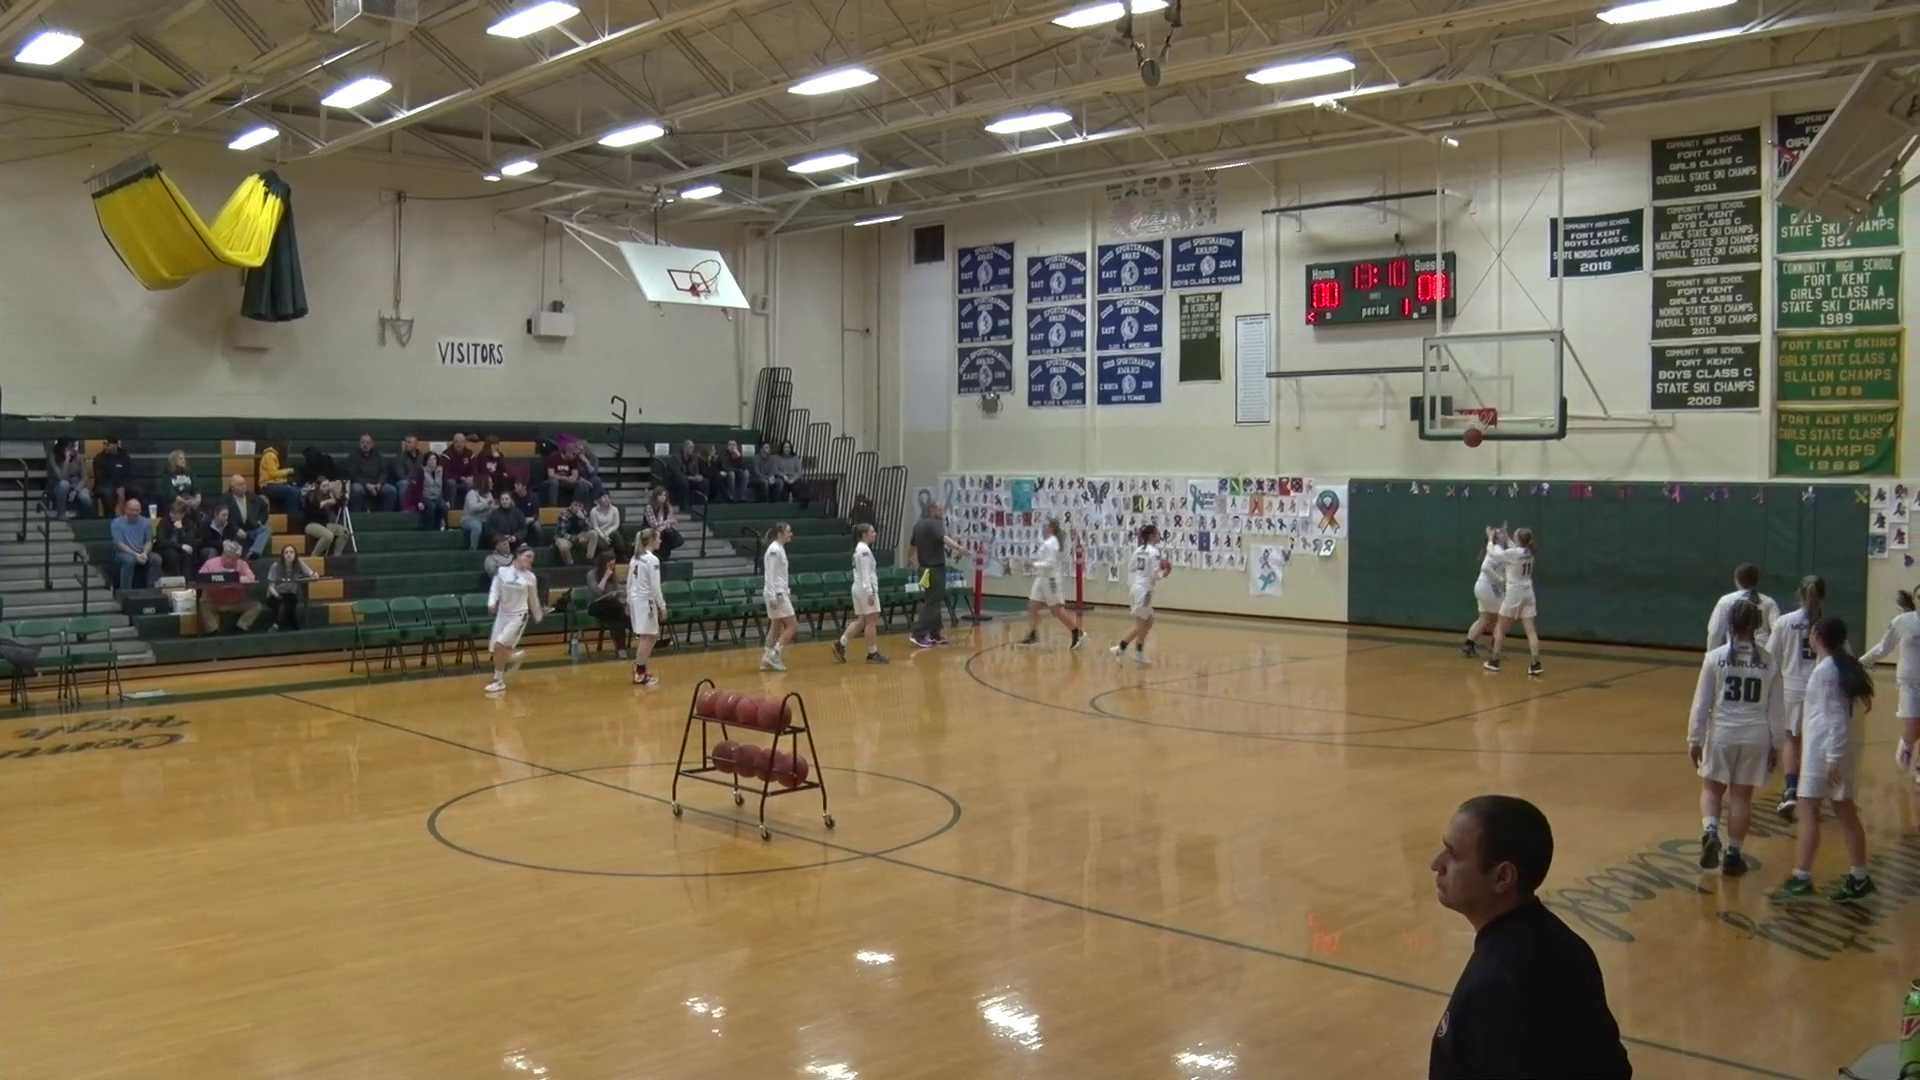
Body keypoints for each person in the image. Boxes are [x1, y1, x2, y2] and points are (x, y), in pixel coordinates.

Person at [1429, 794, 1632, 1079]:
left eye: (1454, 855)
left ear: (1503, 878)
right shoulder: (1567, 946)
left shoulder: (1497, 984)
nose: (1436, 864)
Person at [1777, 617, 1876, 901]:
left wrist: (1832, 758)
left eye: (1811, 632)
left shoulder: (1826, 671)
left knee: (1807, 809)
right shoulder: (1838, 666)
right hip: (1835, 752)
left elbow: (1834, 720)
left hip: (1825, 754)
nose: (1808, 635)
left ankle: (1802, 877)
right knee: (1845, 812)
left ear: (1818, 635)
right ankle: (1859, 877)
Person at [1687, 599, 1783, 876]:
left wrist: (1694, 738)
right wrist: (1777, 743)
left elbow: (1701, 703)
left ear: (1730, 623)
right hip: (1756, 736)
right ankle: (1733, 854)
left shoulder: (1714, 657)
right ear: (1757, 625)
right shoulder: (1769, 661)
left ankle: (1711, 831)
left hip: (1722, 734)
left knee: (1711, 790)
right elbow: (1777, 710)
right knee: (1741, 798)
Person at [1771, 576, 1825, 820]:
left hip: (1792, 688)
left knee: (1792, 740)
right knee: (1815, 742)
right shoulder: (1828, 625)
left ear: (1799, 594)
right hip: (1822, 689)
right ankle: (1812, 793)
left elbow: (1771, 657)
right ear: (1823, 596)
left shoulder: (1784, 622)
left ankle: (1792, 789)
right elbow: (1845, 657)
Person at [1863, 586, 1920, 783]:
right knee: (1913, 725)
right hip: (1908, 682)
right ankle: (1905, 747)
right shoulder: (1902, 622)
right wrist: (1859, 664)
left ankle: (1918, 767)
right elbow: (1882, 648)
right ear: (1914, 599)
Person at [484, 544, 543, 695]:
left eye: (532, 558)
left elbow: (533, 599)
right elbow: (495, 588)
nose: (531, 560)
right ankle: (515, 656)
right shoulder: (503, 571)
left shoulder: (530, 577)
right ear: (518, 555)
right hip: (502, 615)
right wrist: (491, 603)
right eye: (528, 556)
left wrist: (538, 615)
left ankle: (498, 681)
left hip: (519, 616)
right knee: (496, 649)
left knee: (499, 645)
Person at [1483, 527, 1541, 677]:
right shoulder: (1529, 552)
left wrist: (1490, 538)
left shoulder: (1513, 553)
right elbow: (1516, 550)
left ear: (1518, 539)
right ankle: (1535, 663)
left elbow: (1494, 554)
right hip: (1528, 592)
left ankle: (1494, 661)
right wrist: (1507, 538)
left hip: (1514, 593)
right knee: (1531, 630)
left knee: (1501, 627)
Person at [908, 501, 967, 649]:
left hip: (924, 569)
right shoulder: (935, 524)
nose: (942, 512)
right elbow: (944, 539)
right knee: (932, 601)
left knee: (933, 599)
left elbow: (912, 545)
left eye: (943, 510)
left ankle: (935, 633)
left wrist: (909, 559)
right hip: (935, 569)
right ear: (931, 509)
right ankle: (918, 633)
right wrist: (959, 548)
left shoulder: (918, 525)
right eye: (939, 510)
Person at [1021, 518, 1083, 650]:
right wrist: (1034, 564)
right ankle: (1033, 634)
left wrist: (1033, 564)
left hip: (1051, 580)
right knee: (1032, 606)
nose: (1043, 528)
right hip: (1041, 578)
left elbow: (1051, 564)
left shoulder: (1052, 543)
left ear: (1051, 528)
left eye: (1045, 526)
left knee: (1057, 610)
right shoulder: (1048, 542)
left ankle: (1077, 633)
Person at [1112, 523, 1167, 664]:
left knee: (1148, 621)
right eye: (1157, 533)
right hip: (1144, 590)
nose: (1159, 535)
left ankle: (1139, 651)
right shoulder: (1154, 552)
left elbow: (1131, 567)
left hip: (1136, 587)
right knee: (1141, 624)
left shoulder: (1139, 550)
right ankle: (1121, 647)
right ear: (1152, 536)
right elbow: (1155, 575)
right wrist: (1165, 573)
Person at [834, 523, 888, 664]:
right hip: (865, 589)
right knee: (871, 622)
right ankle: (872, 653)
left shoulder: (860, 549)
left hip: (859, 588)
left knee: (862, 620)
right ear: (864, 535)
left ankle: (841, 644)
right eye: (872, 532)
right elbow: (865, 574)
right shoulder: (864, 551)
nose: (875, 534)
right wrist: (870, 592)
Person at [1707, 562, 1781, 650]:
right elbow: (1778, 631)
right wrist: (1769, 654)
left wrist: (1710, 654)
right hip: (1761, 654)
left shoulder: (1725, 601)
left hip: (1734, 653)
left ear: (1736, 579)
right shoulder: (1769, 602)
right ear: (1757, 580)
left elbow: (1715, 631)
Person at [626, 527, 666, 687]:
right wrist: (662, 605)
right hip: (645, 601)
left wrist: (628, 601)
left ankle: (640, 668)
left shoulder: (635, 558)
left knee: (648, 636)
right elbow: (655, 587)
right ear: (652, 540)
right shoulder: (652, 560)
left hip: (636, 600)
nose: (661, 541)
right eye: (659, 538)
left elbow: (629, 582)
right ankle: (640, 673)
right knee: (648, 637)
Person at [195, 540, 263, 634]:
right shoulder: (211, 563)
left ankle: (241, 626)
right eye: (227, 557)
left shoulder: (242, 564)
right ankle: (213, 630)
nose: (230, 560)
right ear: (223, 553)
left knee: (256, 606)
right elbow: (201, 578)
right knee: (202, 605)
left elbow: (251, 577)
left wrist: (235, 579)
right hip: (214, 601)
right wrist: (217, 579)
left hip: (236, 602)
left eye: (233, 559)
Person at [1462, 525, 1507, 658]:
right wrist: (1499, 579)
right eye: (1501, 533)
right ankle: (1495, 648)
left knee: (1484, 618)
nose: (1505, 534)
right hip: (1489, 588)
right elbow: (1486, 567)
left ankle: (1469, 645)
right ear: (1497, 538)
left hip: (1481, 586)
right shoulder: (1497, 550)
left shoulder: (1494, 549)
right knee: (1502, 618)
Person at [761, 522, 797, 672]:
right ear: (780, 533)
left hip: (779, 592)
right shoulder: (774, 550)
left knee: (776, 625)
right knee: (793, 626)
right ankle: (775, 654)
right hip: (777, 593)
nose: (791, 534)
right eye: (788, 532)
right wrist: (773, 596)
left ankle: (766, 658)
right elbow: (770, 575)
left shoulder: (779, 549)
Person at [584, 548, 630, 656]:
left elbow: (616, 591)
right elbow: (597, 591)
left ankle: (621, 649)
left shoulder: (614, 576)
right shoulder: (592, 574)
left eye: (613, 565)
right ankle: (625, 642)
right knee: (618, 611)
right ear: (603, 564)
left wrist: (615, 594)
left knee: (617, 618)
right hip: (595, 605)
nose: (612, 567)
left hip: (611, 605)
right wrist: (605, 577)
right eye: (610, 565)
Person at [110, 497, 158, 591]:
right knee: (130, 560)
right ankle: (126, 591)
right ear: (126, 510)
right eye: (132, 510)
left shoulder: (146, 522)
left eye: (137, 510)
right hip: (123, 553)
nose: (134, 513)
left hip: (141, 551)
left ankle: (151, 588)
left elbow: (149, 541)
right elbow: (119, 544)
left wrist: (144, 553)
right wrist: (136, 555)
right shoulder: (116, 523)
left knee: (157, 559)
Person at [265, 544, 316, 631]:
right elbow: (271, 586)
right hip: (274, 594)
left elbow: (311, 573)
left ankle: (277, 625)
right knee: (286, 603)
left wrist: (314, 574)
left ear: (295, 554)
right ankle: (292, 627)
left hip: (290, 594)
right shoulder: (276, 566)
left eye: (291, 552)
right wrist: (277, 596)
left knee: (290, 600)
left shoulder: (299, 564)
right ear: (283, 555)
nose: (289, 554)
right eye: (286, 552)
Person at [154, 498, 202, 579]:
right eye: (171, 512)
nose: (171, 515)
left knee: (188, 554)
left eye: (175, 514)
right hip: (166, 549)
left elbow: (189, 542)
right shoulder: (164, 522)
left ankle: (186, 581)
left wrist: (180, 530)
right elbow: (161, 541)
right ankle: (177, 581)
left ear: (183, 514)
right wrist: (180, 546)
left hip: (181, 549)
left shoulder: (189, 524)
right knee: (173, 555)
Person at [45, 437, 90, 519]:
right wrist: (67, 461)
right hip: (58, 485)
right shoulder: (53, 457)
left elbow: (85, 477)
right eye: (71, 447)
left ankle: (85, 518)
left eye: (74, 447)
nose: (73, 449)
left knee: (85, 498)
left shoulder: (78, 457)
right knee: (64, 484)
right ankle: (61, 514)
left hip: (77, 484)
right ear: (63, 448)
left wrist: (76, 490)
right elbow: (62, 477)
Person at [304, 481, 348, 556]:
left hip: (324, 524)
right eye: (324, 486)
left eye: (327, 486)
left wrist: (339, 497)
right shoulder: (312, 494)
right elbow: (315, 507)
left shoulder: (329, 495)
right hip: (311, 524)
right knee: (328, 536)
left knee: (344, 532)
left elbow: (339, 508)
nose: (326, 488)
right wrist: (326, 502)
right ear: (318, 486)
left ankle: (336, 557)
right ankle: (313, 557)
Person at [644, 488, 684, 562]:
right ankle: (662, 557)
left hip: (664, 529)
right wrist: (667, 522)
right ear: (655, 497)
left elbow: (669, 522)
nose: (663, 497)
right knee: (662, 535)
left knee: (677, 539)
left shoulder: (668, 507)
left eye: (664, 495)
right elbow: (653, 524)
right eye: (660, 495)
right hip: (650, 530)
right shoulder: (649, 508)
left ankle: (664, 556)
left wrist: (665, 525)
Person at [553, 498, 594, 564]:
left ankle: (590, 557)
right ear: (571, 505)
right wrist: (574, 539)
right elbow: (562, 533)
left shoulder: (583, 512)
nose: (577, 508)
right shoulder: (564, 514)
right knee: (564, 547)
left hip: (578, 536)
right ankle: (570, 564)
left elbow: (589, 527)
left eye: (580, 506)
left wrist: (583, 518)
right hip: (564, 538)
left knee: (593, 533)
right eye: (575, 505)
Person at [461, 477, 496, 550]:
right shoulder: (472, 493)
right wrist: (486, 503)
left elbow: (491, 507)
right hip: (469, 519)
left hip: (485, 519)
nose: (492, 484)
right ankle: (473, 549)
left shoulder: (489, 494)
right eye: (490, 482)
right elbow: (472, 508)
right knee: (477, 526)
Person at [588, 492, 624, 561]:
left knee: (616, 535)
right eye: (604, 497)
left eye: (608, 498)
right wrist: (603, 536)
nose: (607, 499)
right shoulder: (594, 511)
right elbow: (595, 527)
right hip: (599, 533)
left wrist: (607, 534)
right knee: (603, 544)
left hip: (610, 532)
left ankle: (621, 557)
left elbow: (616, 525)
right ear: (599, 500)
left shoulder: (614, 510)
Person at [417, 453, 448, 531]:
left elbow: (445, 485)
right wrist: (419, 501)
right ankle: (428, 529)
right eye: (430, 459)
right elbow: (418, 487)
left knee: (443, 506)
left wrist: (447, 500)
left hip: (438, 496)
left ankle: (443, 527)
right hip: (426, 496)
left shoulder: (442, 470)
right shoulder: (421, 471)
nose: (432, 461)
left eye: (434, 459)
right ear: (426, 461)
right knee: (431, 506)